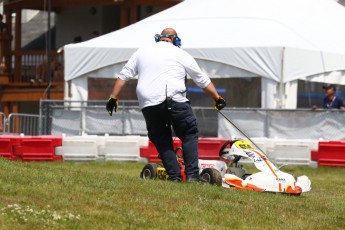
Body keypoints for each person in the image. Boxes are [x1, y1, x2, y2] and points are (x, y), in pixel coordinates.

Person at [106, 28, 226, 182]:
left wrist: (113, 98)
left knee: (162, 140)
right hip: (174, 100)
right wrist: (217, 98)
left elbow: (124, 75)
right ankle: (192, 176)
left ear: (159, 39)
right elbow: (201, 79)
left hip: (148, 104)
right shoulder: (180, 53)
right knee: (189, 133)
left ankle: (175, 177)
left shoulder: (141, 52)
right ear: (175, 40)